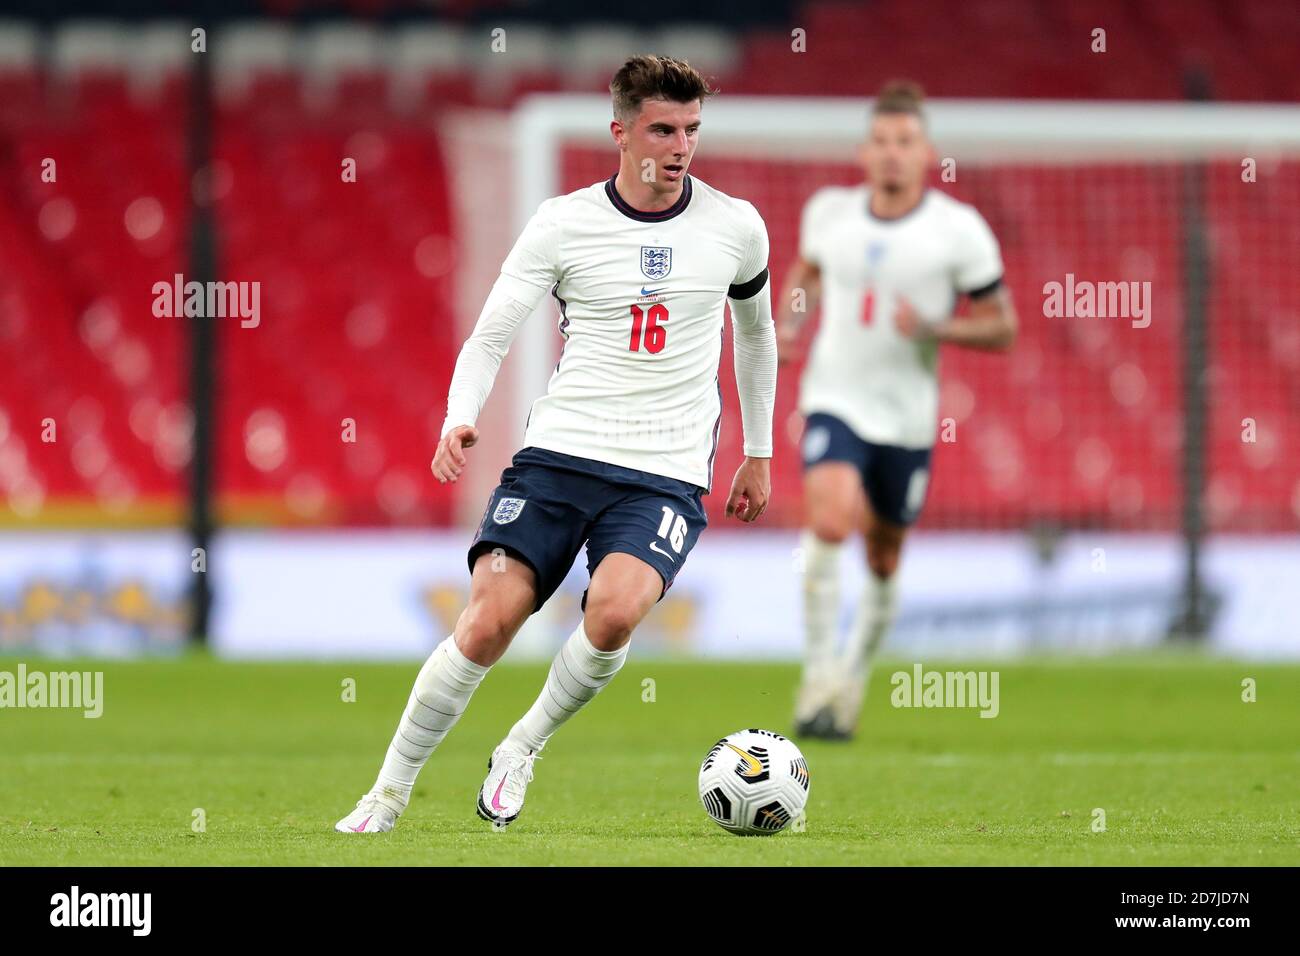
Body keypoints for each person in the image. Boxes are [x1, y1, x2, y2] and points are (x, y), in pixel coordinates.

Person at [336, 54, 777, 832]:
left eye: (692, 131)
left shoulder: (735, 227)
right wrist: (458, 414)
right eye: (663, 130)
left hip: (664, 471)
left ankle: (523, 744)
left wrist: (760, 449)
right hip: (561, 455)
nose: (680, 147)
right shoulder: (564, 222)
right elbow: (491, 332)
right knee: (486, 622)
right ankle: (388, 793)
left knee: (613, 613)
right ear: (620, 131)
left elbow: (757, 336)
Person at [777, 80, 1017, 741]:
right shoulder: (830, 212)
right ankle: (818, 675)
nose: (891, 154)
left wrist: (940, 327)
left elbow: (1003, 326)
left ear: (927, 153)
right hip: (834, 398)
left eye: (904, 142)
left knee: (883, 557)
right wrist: (791, 326)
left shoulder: (958, 230)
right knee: (828, 521)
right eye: (880, 141)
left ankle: (852, 677)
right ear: (863, 152)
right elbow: (806, 273)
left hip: (908, 417)